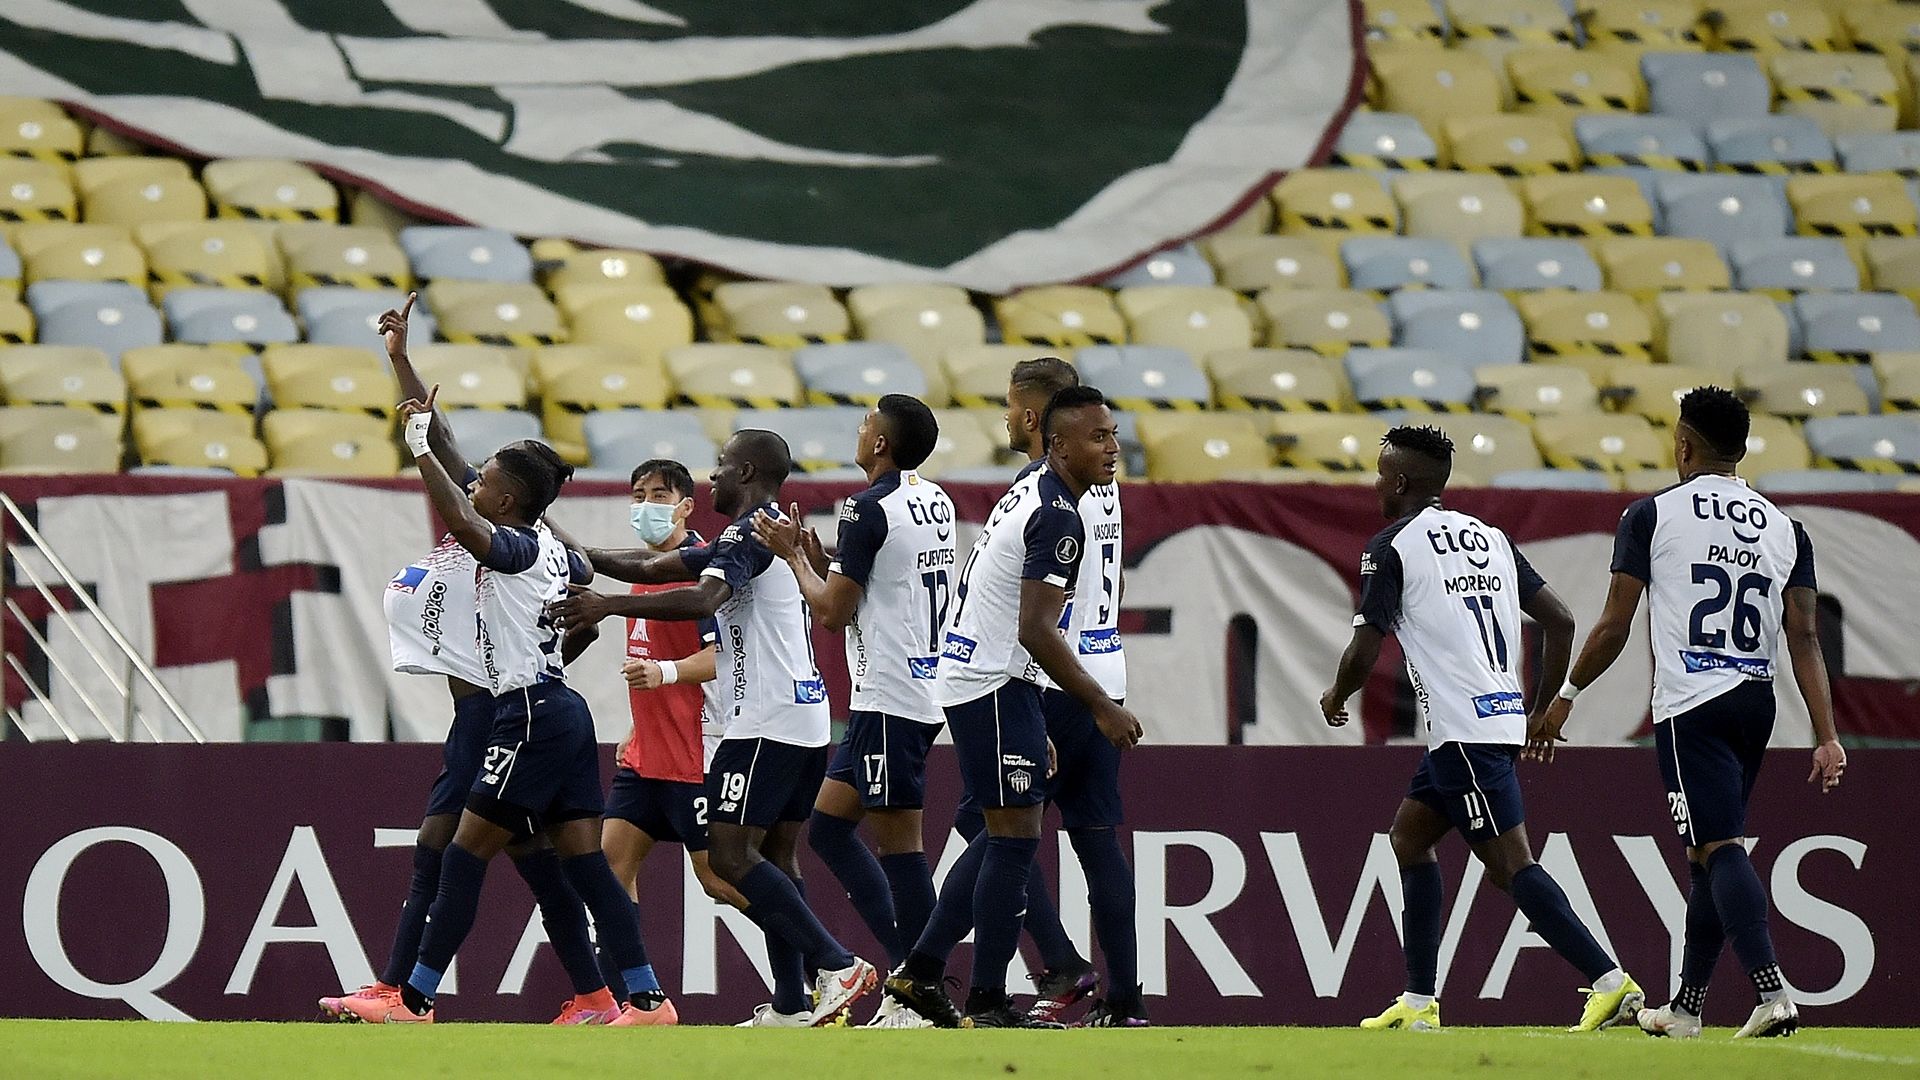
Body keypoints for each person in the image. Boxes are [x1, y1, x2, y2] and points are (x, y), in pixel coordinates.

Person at [320, 295, 616, 1026]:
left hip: (499, 712)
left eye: (487, 478)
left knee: (445, 850)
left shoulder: (510, 542)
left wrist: (543, 679)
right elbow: (448, 447)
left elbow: (449, 470)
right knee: (539, 863)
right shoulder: (496, 526)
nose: (474, 478)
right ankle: (600, 994)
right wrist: (398, 358)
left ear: (511, 495)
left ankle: (403, 992)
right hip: (491, 710)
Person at [1537, 387, 1847, 1040]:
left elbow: (1615, 624)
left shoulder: (1651, 515)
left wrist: (1565, 694)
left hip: (1691, 704)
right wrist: (1827, 734)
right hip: (1755, 703)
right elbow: (1806, 636)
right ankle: (1687, 1008)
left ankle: (1771, 992)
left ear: (1683, 445)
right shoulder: (1785, 528)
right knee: (1705, 852)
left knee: (1720, 845)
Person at [1319, 424, 1644, 1034]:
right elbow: (1561, 619)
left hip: (1465, 731)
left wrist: (1339, 694)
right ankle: (1419, 1003)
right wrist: (1542, 711)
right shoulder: (1488, 537)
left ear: (1397, 480)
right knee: (1409, 839)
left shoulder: (1391, 546)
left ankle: (1611, 982)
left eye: (1380, 472)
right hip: (1485, 723)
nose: (1376, 482)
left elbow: (1366, 648)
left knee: (1510, 866)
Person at [551, 430, 878, 1028]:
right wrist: (566, 543)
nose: (713, 478)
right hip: (802, 716)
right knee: (776, 858)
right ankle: (791, 1004)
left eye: (723, 466)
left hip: (761, 720)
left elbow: (703, 600)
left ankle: (835, 963)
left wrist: (608, 605)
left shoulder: (753, 532)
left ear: (747, 471)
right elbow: (652, 565)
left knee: (728, 858)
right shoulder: (752, 531)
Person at [884, 385, 1143, 1029]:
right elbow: (1034, 627)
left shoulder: (1035, 493)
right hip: (992, 679)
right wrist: (1100, 706)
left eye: (1114, 435)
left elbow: (1007, 611)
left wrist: (1033, 715)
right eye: (1097, 437)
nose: (1113, 448)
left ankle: (930, 976)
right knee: (1012, 841)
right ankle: (983, 997)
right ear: (1056, 442)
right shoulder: (1058, 513)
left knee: (1010, 839)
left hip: (998, 682)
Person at [751, 395, 954, 1029]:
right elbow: (878, 583)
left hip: (889, 696)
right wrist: (823, 561)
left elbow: (834, 612)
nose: (859, 430)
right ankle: (904, 965)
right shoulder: (936, 500)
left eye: (867, 423)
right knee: (829, 828)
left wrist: (792, 560)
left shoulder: (867, 507)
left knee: (903, 851)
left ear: (882, 445)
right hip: (917, 688)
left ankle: (922, 996)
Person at [578, 458, 747, 1002]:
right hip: (647, 757)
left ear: (685, 506)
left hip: (697, 756)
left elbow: (723, 656)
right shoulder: (643, 572)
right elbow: (653, 655)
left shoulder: (703, 572)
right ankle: (635, 1001)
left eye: (657, 495)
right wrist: (638, 722)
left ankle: (819, 964)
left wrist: (664, 674)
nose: (645, 506)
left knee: (721, 882)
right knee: (608, 875)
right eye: (638, 495)